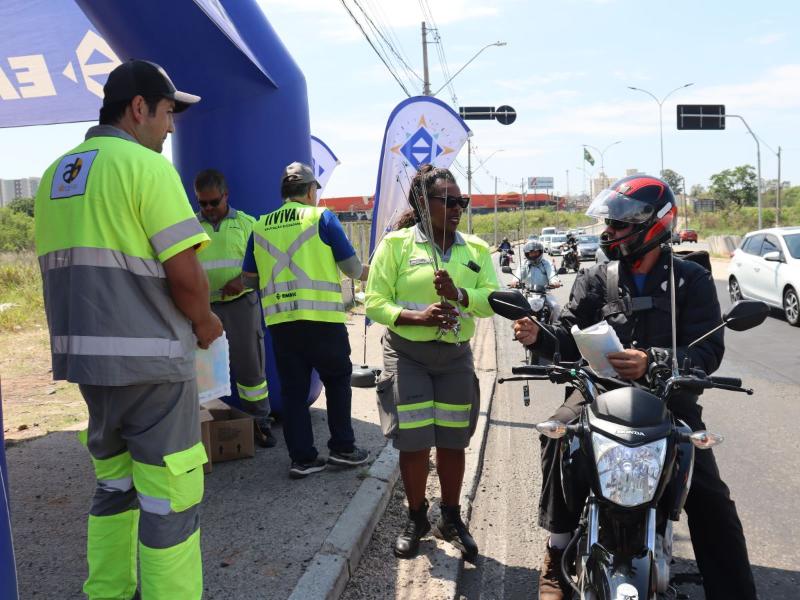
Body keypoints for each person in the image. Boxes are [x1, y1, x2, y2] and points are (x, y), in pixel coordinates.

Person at [513, 175, 758, 600]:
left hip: (670, 398)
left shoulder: (691, 281)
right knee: (557, 435)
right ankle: (555, 553)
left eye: (620, 225)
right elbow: (567, 336)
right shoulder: (594, 279)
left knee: (710, 496)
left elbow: (709, 351)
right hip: (598, 395)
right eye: (609, 223)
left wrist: (655, 360)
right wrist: (540, 337)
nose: (609, 232)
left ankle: (735, 591)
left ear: (654, 225)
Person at [34, 59, 222, 599]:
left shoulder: (56, 175)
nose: (170, 127)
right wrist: (208, 326)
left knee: (115, 488)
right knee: (171, 499)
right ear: (138, 109)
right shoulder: (145, 167)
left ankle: (109, 592)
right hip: (153, 365)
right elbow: (186, 278)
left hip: (88, 369)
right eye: (166, 113)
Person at [365, 164, 499, 563]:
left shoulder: (474, 250)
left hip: (455, 356)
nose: (458, 208)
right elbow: (373, 301)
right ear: (423, 202)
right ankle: (417, 517)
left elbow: (490, 299)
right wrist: (415, 317)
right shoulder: (397, 246)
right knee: (415, 440)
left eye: (462, 201)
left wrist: (459, 293)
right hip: (407, 354)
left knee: (453, 439)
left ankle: (451, 518)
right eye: (448, 200)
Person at [241, 162, 370, 478]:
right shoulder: (321, 217)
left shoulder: (259, 227)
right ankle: (343, 449)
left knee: (293, 392)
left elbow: (247, 279)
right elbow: (352, 269)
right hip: (323, 320)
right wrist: (375, 273)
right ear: (311, 191)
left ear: (284, 192)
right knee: (338, 381)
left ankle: (302, 459)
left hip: (282, 324)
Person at [194, 169, 275, 448]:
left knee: (250, 367)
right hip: (203, 310)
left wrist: (242, 281)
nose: (207, 209)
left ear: (226, 195)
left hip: (241, 306)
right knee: (201, 369)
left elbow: (266, 265)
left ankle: (259, 422)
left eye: (213, 202)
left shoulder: (247, 224)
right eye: (202, 203)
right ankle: (203, 428)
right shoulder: (189, 228)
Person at [513, 240, 562, 321]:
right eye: (531, 252)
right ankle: (518, 330)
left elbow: (552, 274)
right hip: (527, 292)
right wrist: (515, 281)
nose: (533, 254)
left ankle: (555, 328)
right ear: (527, 253)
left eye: (536, 252)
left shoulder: (547, 263)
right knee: (517, 309)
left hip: (545, 292)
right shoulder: (524, 264)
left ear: (540, 252)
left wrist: (554, 281)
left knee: (555, 307)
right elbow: (519, 274)